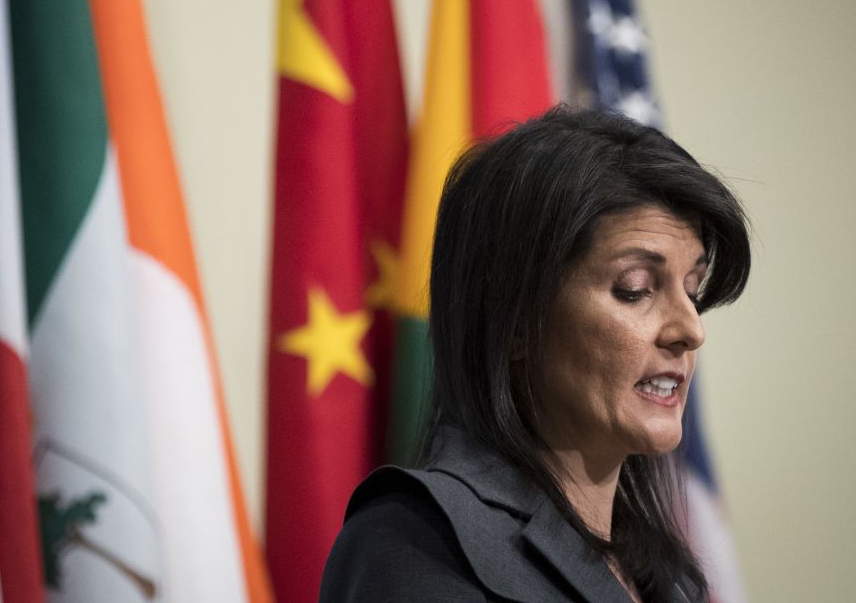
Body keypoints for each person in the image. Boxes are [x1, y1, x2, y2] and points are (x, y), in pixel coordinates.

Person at [320, 107, 751, 603]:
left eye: (692, 290)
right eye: (635, 289)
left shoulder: (667, 577)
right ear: (518, 318)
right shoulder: (416, 543)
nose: (690, 330)